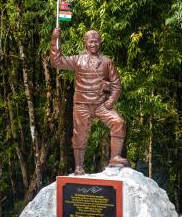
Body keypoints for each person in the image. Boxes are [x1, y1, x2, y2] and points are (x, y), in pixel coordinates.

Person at [50, 28, 128, 174]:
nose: (93, 44)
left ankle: (115, 158)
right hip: (82, 105)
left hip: (101, 104)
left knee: (118, 122)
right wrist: (55, 39)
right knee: (79, 133)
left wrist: (110, 101)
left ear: (100, 43)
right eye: (91, 41)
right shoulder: (78, 60)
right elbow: (57, 61)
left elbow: (117, 85)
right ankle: (79, 167)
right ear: (85, 43)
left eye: (96, 41)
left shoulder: (107, 62)